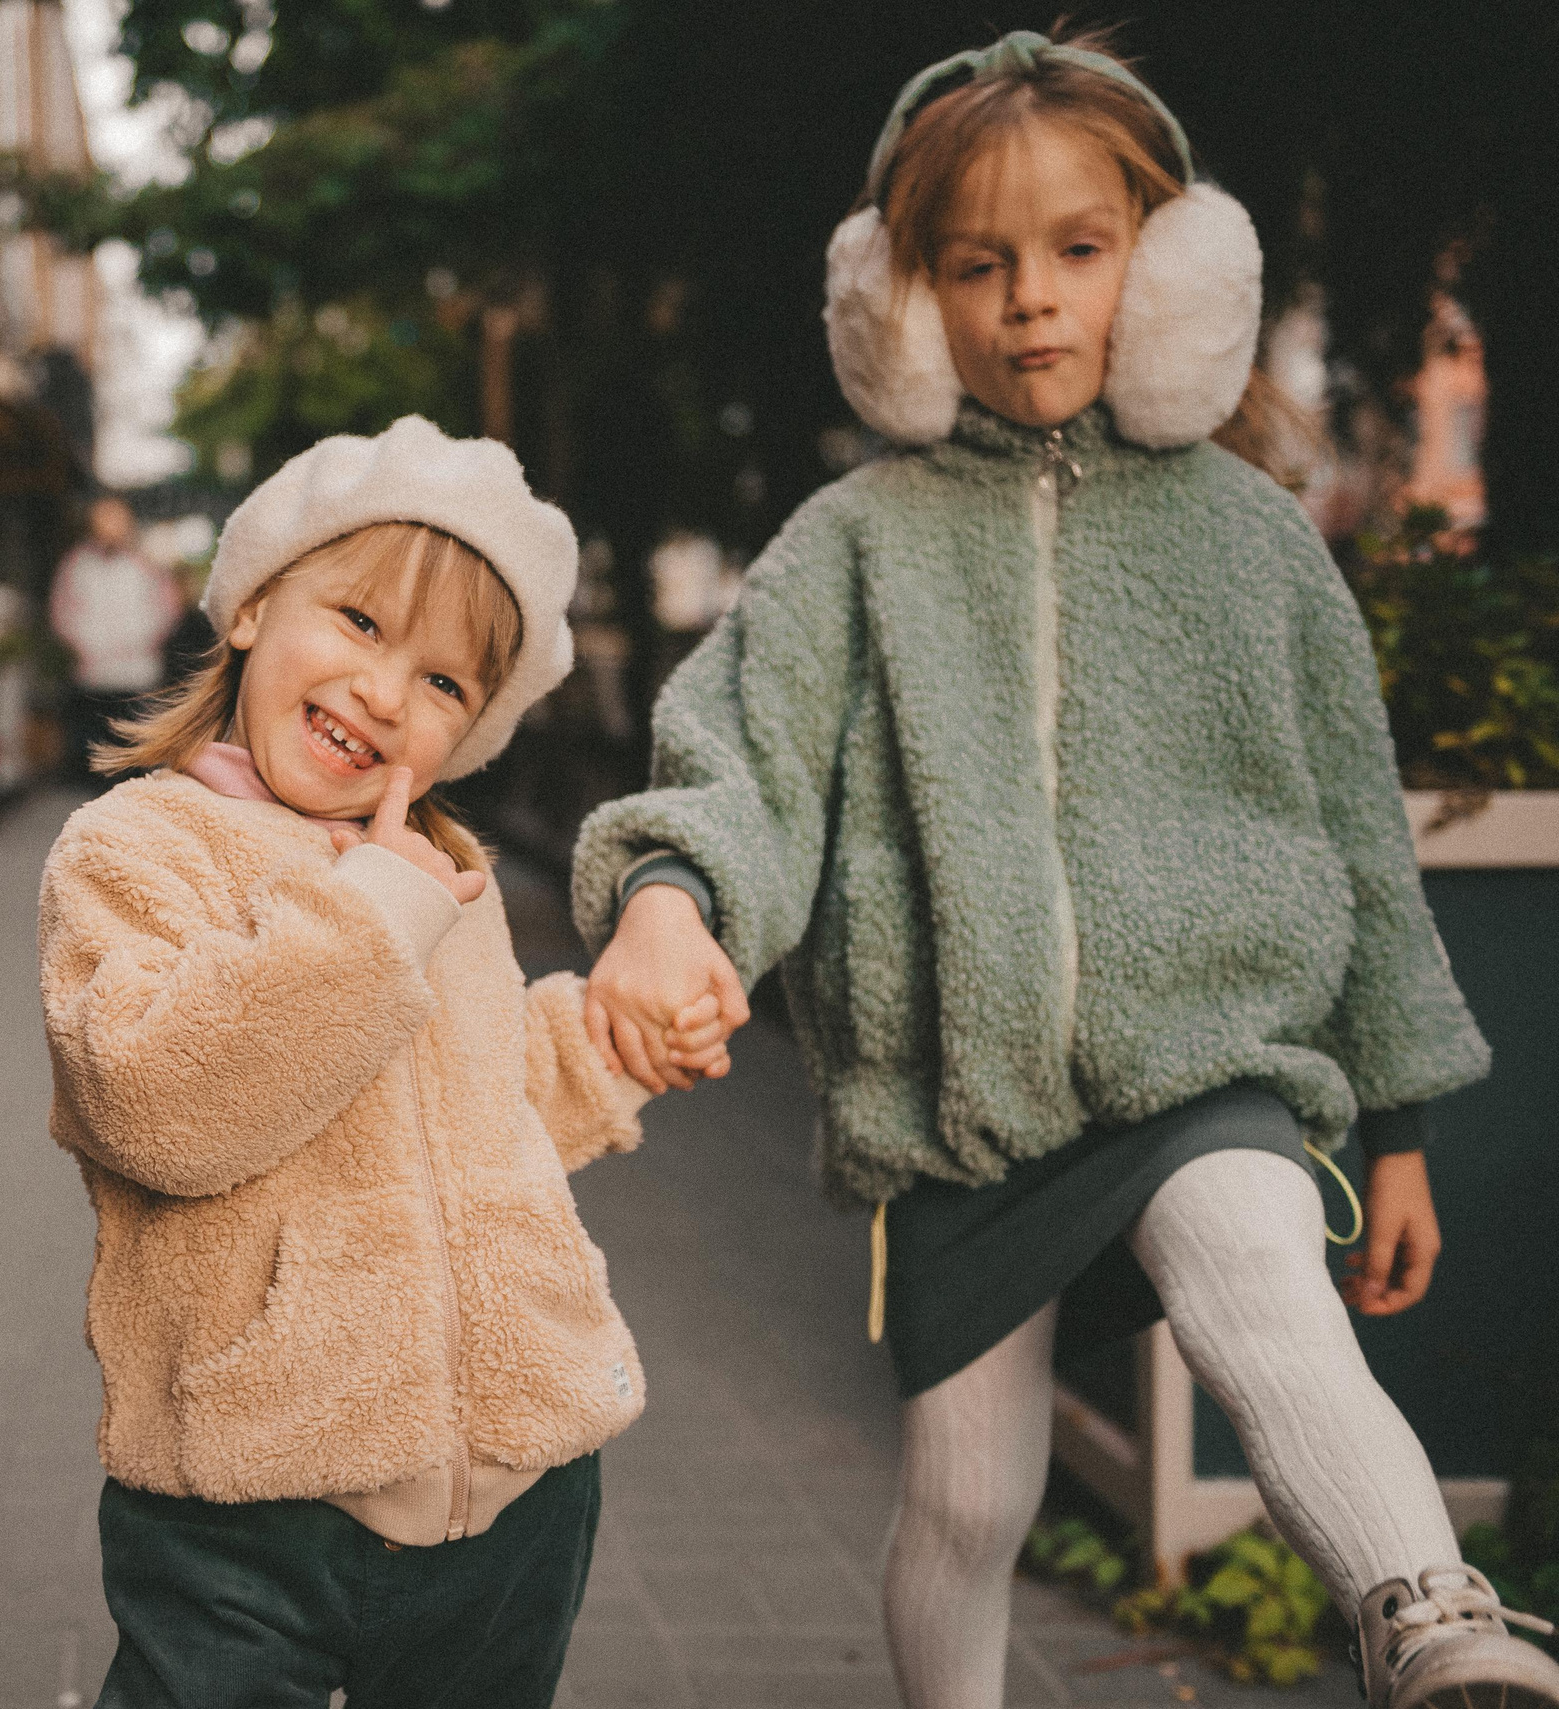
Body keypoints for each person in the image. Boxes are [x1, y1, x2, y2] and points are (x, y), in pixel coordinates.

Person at [569, 31, 1559, 1709]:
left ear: (1165, 273)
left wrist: (1396, 1126)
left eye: (1080, 251)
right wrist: (671, 901)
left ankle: (1428, 1614)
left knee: (1256, 1263)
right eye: (980, 263)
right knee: (969, 1497)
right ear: (904, 304)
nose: (1033, 299)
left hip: (1209, 1062)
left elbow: (1364, 849)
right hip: (968, 1115)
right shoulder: (851, 546)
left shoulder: (1254, 541)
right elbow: (736, 762)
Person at [39, 418, 668, 1707]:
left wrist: (608, 1037)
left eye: (444, 683)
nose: (388, 692)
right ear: (259, 603)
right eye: (364, 624)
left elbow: (477, 1109)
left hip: (513, 1494)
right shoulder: (138, 848)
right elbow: (155, 1097)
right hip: (247, 1505)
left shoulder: (445, 882)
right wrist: (375, 908)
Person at [49, 494, 185, 777]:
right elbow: (61, 611)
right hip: (92, 674)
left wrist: (141, 642)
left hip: (137, 673)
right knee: (94, 745)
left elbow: (168, 609)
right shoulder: (76, 563)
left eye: (116, 518)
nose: (110, 525)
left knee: (133, 747)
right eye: (104, 517)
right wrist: (84, 646)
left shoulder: (146, 563)